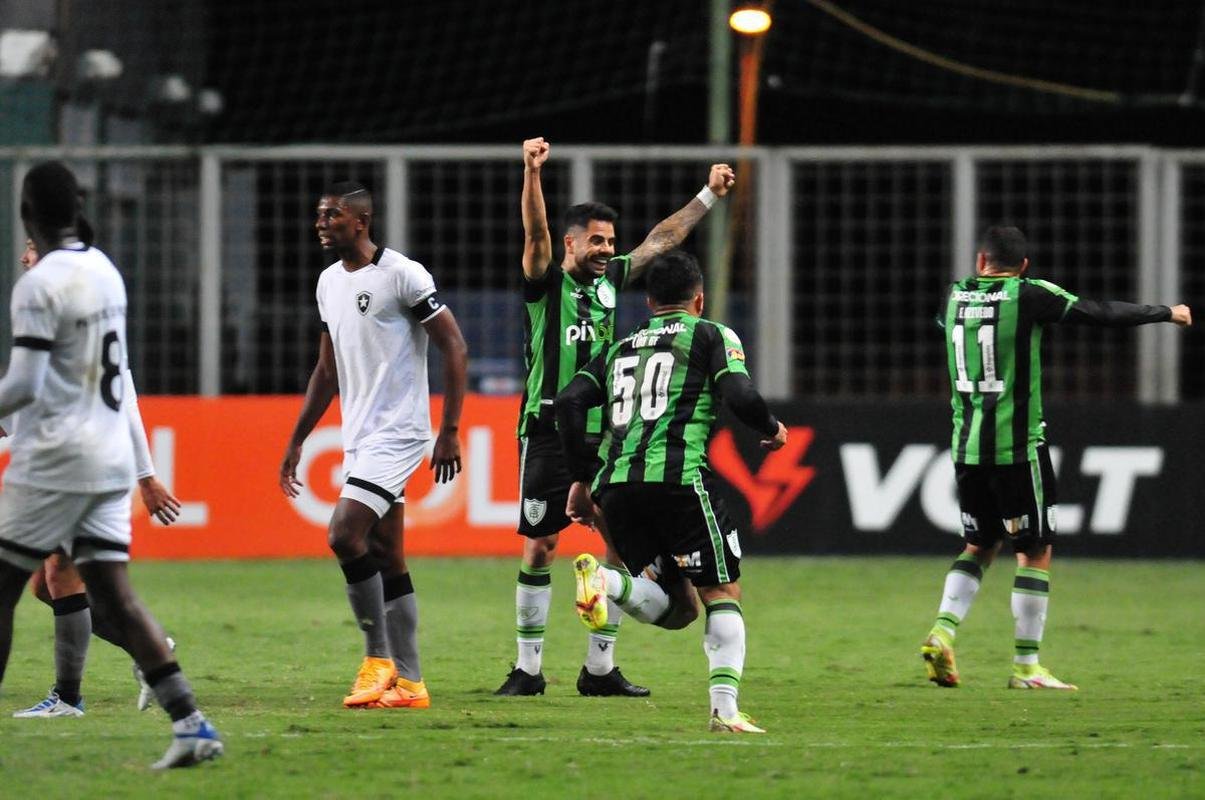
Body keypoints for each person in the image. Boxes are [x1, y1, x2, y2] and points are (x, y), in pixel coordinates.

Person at [496, 136, 737, 698]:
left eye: (610, 241)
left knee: (615, 548)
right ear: (571, 243)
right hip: (547, 429)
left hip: (609, 433)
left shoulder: (609, 282)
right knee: (541, 545)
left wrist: (708, 194)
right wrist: (532, 174)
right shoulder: (546, 283)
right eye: (596, 241)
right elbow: (534, 233)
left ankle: (598, 669)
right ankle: (527, 669)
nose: (607, 249)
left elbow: (664, 239)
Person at [0, 161, 221, 768]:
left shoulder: (40, 285)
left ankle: (67, 697)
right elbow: (110, 381)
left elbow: (24, 383)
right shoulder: (104, 271)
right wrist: (144, 471)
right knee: (112, 597)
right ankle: (191, 724)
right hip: (105, 458)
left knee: (10, 586)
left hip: (56, 461)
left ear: (28, 216)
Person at [921, 225, 1192, 690]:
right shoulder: (1028, 294)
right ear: (1022, 265)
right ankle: (1027, 668)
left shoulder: (954, 296)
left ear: (980, 260)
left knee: (980, 544)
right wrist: (1166, 312)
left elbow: (949, 329)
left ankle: (941, 630)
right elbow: (1099, 313)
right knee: (1034, 550)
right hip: (1018, 447)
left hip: (966, 446)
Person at [554, 250, 788, 733]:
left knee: (679, 607)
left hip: (616, 487)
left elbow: (570, 401)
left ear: (648, 302)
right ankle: (724, 711)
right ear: (698, 299)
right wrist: (772, 427)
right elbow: (741, 395)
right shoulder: (710, 334)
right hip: (680, 482)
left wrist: (582, 477)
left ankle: (607, 583)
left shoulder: (621, 347)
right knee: (722, 591)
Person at [279, 181, 468, 710]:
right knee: (388, 555)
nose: (321, 222)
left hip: (400, 432)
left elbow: (454, 344)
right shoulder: (327, 283)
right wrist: (298, 439)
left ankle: (377, 658)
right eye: (318, 214)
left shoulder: (402, 275)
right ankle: (410, 684)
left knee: (343, 533)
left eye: (332, 214)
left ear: (361, 222)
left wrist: (449, 429)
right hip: (360, 437)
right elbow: (326, 368)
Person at [3, 238, 182, 718]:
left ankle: (69, 697)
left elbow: (122, 397)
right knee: (50, 585)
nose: (24, 258)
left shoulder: (63, 304)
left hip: (78, 463)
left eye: (30, 248)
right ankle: (153, 655)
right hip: (75, 460)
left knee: (62, 573)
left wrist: (147, 475)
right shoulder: (85, 299)